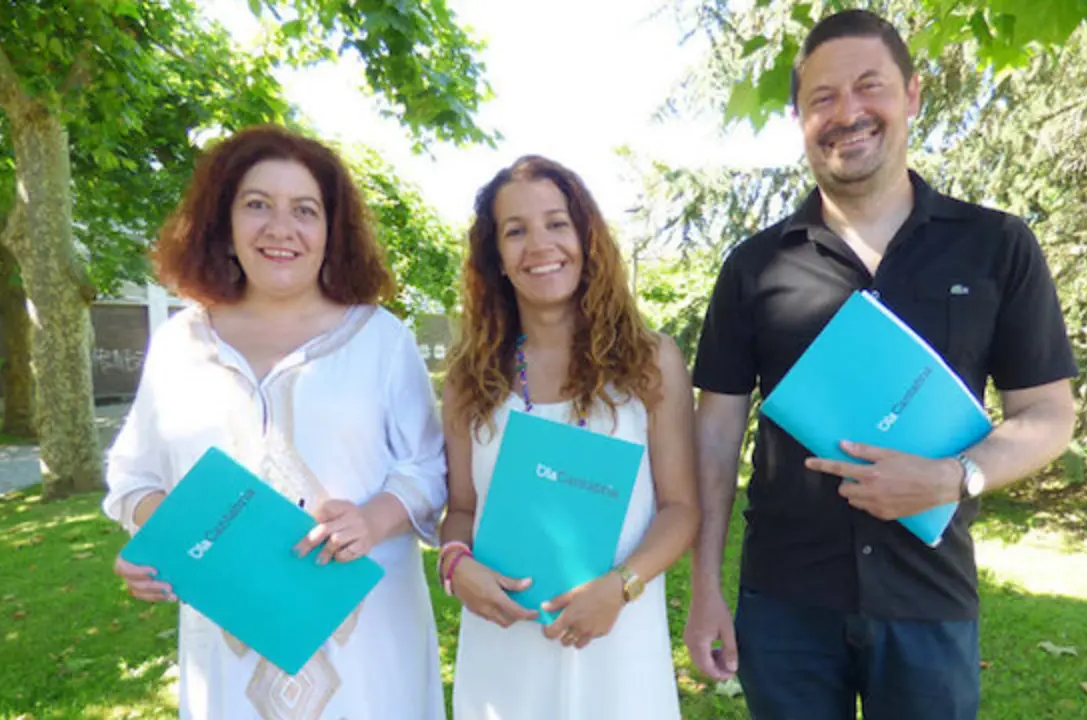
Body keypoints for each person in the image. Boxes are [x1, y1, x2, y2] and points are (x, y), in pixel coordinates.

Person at [683, 10, 1078, 720]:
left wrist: (957, 476)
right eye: (822, 98)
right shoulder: (754, 267)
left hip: (929, 598)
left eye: (870, 87)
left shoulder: (996, 247)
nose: (848, 113)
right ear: (799, 116)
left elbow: (1048, 413)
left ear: (913, 96)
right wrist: (705, 587)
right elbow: (713, 438)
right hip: (784, 602)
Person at [102, 125, 448, 720]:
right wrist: (161, 541)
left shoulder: (381, 339)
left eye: (305, 210)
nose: (280, 228)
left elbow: (429, 468)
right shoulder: (180, 343)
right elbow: (132, 478)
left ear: (330, 232)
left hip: (365, 645)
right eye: (257, 205)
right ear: (224, 223)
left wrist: (372, 518)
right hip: (230, 647)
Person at [437, 155, 700, 719]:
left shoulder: (650, 361)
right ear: (496, 259)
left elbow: (681, 509)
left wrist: (622, 587)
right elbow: (460, 510)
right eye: (516, 231)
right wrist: (456, 566)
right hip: (504, 647)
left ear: (586, 238)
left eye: (557, 223)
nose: (540, 245)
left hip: (617, 638)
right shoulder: (468, 378)